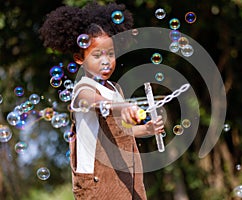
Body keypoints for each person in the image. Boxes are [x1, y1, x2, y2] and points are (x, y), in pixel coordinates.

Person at [39, 2, 165, 200]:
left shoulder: (116, 89)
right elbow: (91, 100)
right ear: (80, 58)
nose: (106, 61)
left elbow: (123, 133)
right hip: (97, 181)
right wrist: (121, 106)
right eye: (97, 55)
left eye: (111, 54)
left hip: (126, 175)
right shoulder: (83, 88)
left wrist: (146, 130)